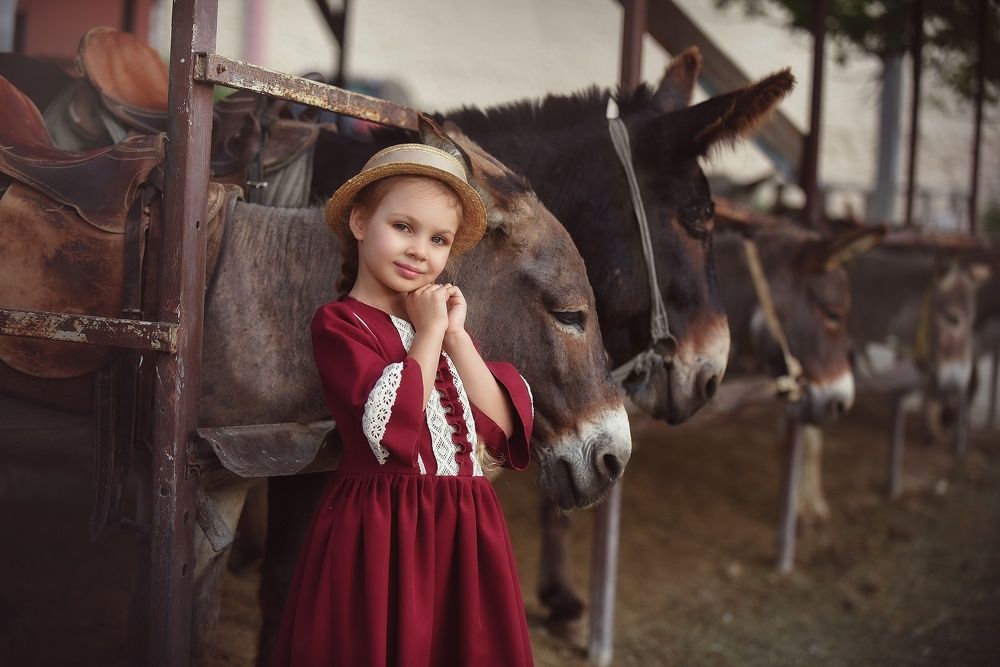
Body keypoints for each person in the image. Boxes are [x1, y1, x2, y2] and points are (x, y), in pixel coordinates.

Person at [272, 142, 536, 666]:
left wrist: (455, 336)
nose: (420, 251)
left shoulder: (440, 331)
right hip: (383, 524)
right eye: (403, 227)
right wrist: (430, 332)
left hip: (464, 521)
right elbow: (393, 428)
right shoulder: (340, 324)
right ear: (360, 221)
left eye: (439, 239)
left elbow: (499, 430)